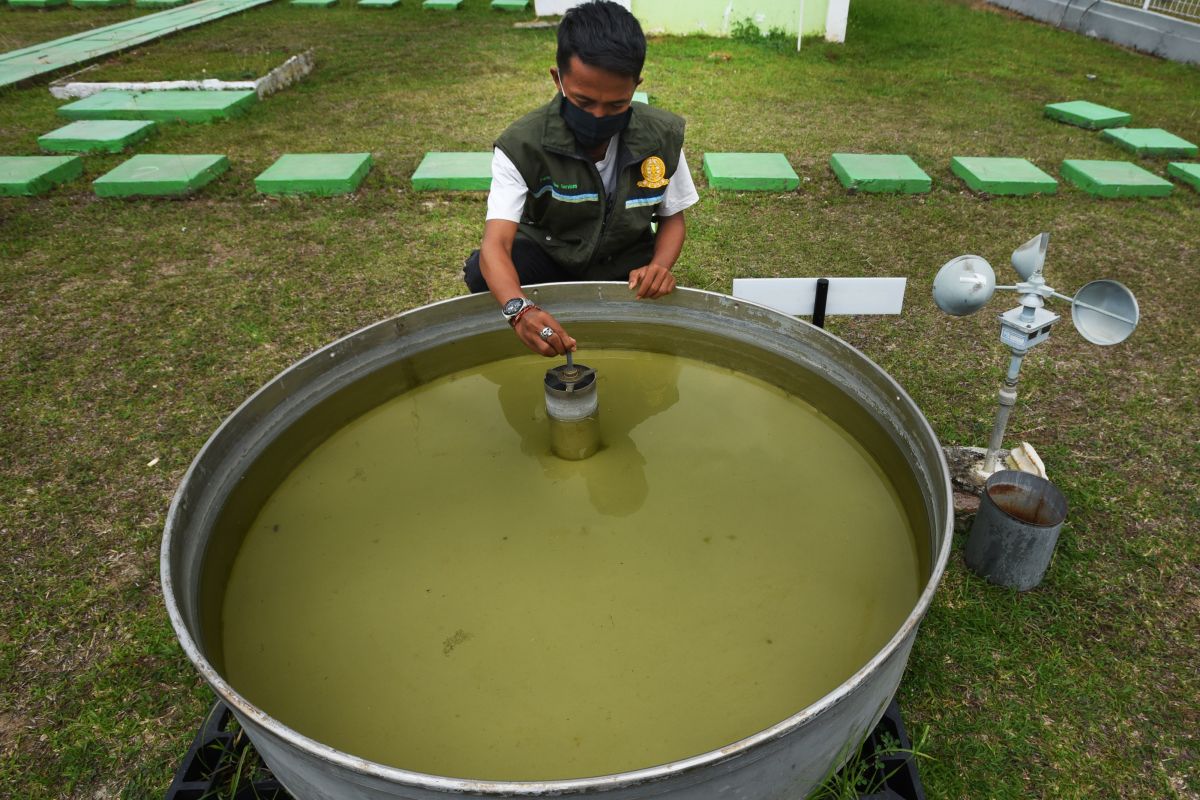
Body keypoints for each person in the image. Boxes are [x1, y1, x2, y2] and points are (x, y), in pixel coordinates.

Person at [462, 0, 699, 357]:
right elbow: (497, 245)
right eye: (584, 102)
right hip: (552, 256)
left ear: (635, 85)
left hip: (623, 265)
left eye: (617, 105)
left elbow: (672, 219)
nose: (599, 117)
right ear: (558, 79)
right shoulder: (522, 144)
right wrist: (519, 309)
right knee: (483, 273)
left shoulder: (661, 137)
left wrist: (659, 267)